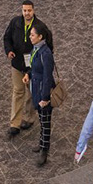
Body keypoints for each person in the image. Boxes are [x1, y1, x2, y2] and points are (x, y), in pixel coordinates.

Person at [3, 1, 49, 138]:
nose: (27, 13)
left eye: (29, 10)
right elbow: (7, 38)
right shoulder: (15, 23)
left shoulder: (40, 27)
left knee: (31, 93)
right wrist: (9, 50)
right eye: (24, 10)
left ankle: (29, 118)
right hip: (17, 64)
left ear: (33, 10)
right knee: (18, 92)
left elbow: (47, 46)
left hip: (34, 67)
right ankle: (14, 124)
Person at [27, 22, 58, 166]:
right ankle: (41, 143)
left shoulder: (46, 53)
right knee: (41, 118)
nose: (30, 37)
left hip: (43, 91)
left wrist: (45, 97)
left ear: (40, 37)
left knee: (45, 122)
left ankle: (44, 150)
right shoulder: (36, 49)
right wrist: (28, 74)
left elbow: (47, 77)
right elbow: (33, 66)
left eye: (32, 35)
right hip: (36, 88)